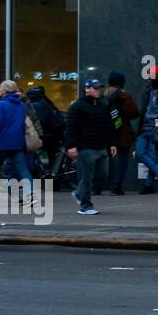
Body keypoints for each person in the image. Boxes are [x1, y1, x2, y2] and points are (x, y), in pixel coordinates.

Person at [65, 78, 116, 216]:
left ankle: (79, 193)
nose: (99, 90)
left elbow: (108, 125)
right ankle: (85, 206)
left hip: (101, 145)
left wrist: (111, 143)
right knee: (86, 176)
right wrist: (71, 146)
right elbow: (70, 127)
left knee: (103, 173)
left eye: (99, 88)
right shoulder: (77, 106)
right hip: (85, 146)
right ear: (87, 89)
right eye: (96, 88)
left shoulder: (103, 104)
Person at [0, 80, 32, 205]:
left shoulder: (0, 105)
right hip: (17, 143)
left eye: (0, 88)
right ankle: (30, 195)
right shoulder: (21, 105)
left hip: (1, 143)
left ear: (5, 90)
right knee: (23, 169)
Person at [104, 71, 140, 196]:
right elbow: (135, 113)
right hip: (122, 133)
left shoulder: (103, 95)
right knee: (122, 160)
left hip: (106, 132)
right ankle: (116, 186)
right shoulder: (125, 96)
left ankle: (96, 186)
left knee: (103, 158)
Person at [137, 66, 158, 195]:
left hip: (157, 127)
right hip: (145, 125)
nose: (150, 79)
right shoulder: (148, 89)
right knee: (140, 153)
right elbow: (144, 108)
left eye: (152, 76)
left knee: (153, 156)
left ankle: (149, 185)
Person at [25, 85, 66, 178]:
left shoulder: (33, 106)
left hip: (44, 136)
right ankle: (53, 180)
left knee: (32, 157)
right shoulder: (47, 103)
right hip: (53, 136)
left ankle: (40, 179)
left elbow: (38, 122)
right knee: (52, 159)